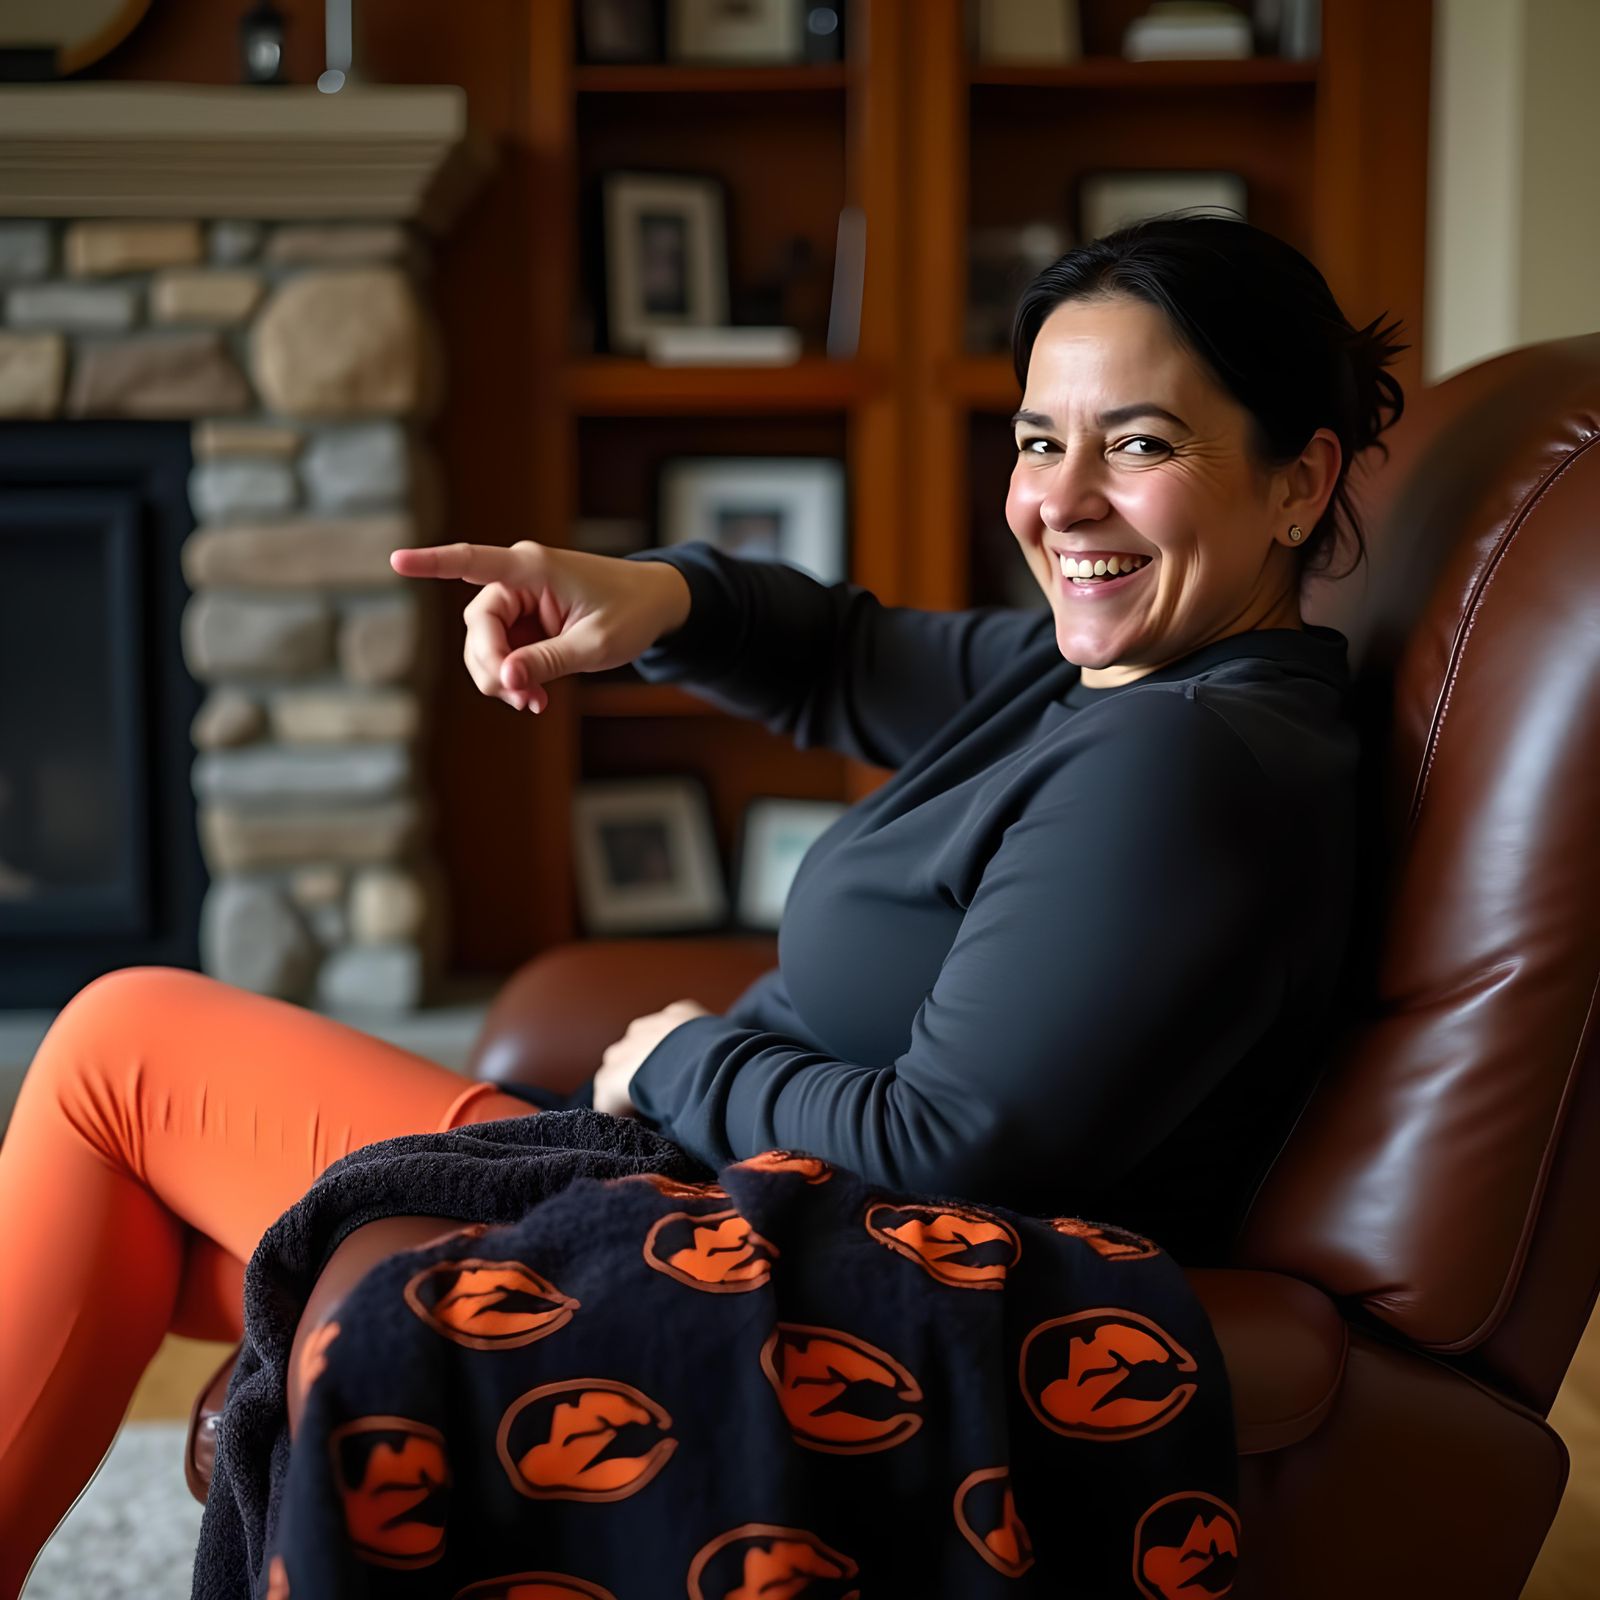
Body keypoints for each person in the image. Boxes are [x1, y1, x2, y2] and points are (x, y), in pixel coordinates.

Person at [0, 211, 1405, 1596]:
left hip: (729, 1223)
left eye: (1141, 444)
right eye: (1043, 439)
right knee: (145, 1218)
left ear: (1299, 480)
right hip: (703, 1170)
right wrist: (647, 594)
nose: (1063, 499)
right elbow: (843, 654)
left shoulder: (1180, 764)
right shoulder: (1113, 671)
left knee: (123, 1052)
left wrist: (681, 1057)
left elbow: (952, 1145)